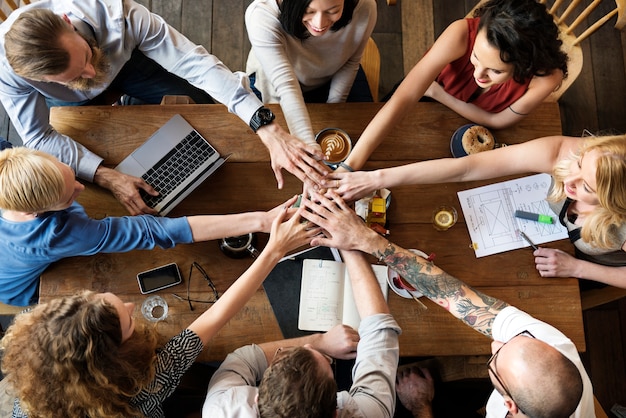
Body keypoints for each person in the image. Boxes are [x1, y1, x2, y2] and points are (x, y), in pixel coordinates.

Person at [0, 0, 328, 215]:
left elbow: (193, 62)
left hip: (127, 62)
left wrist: (265, 125)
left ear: (67, 22)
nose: (90, 76)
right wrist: (106, 176)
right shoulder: (7, 69)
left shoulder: (120, 13)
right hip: (67, 102)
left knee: (195, 96)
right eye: (72, 75)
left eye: (84, 58)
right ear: (38, 77)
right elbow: (40, 137)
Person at [0, 201, 318, 418]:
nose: (129, 305)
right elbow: (217, 315)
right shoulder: (146, 383)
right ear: (117, 361)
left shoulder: (35, 372)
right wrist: (273, 251)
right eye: (127, 320)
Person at [299, 190, 595, 418]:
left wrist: (421, 407)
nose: (495, 343)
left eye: (496, 359)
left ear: (509, 407)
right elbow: (455, 295)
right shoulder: (554, 346)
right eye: (515, 340)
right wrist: (367, 240)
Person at [0, 147, 299, 306]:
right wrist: (262, 220)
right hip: (20, 287)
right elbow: (157, 231)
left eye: (71, 175)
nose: (81, 185)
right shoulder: (59, 234)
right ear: (39, 211)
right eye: (70, 194)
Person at [326, 133, 626, 288]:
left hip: (596, 263)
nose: (567, 180)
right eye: (578, 164)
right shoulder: (573, 155)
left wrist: (578, 269)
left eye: (586, 187)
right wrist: (376, 178)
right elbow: (466, 168)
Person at [341, 0, 568, 171]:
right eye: (476, 57)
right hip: (424, 98)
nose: (479, 74)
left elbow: (498, 122)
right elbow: (404, 97)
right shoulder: (460, 33)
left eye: (496, 71)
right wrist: (350, 164)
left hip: (451, 114)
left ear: (526, 67)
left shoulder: (546, 78)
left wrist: (439, 93)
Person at [202, 249, 400, 417]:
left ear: (257, 398)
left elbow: (242, 360)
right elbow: (380, 331)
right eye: (327, 361)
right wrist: (349, 245)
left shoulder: (221, 409)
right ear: (336, 412)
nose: (307, 347)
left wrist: (320, 342)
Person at [245, 0, 377, 144]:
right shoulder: (261, 14)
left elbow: (351, 61)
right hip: (274, 83)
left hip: (333, 74)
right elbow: (286, 86)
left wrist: (334, 108)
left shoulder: (365, 6)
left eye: (332, 11)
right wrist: (308, 146)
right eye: (309, 11)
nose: (319, 24)